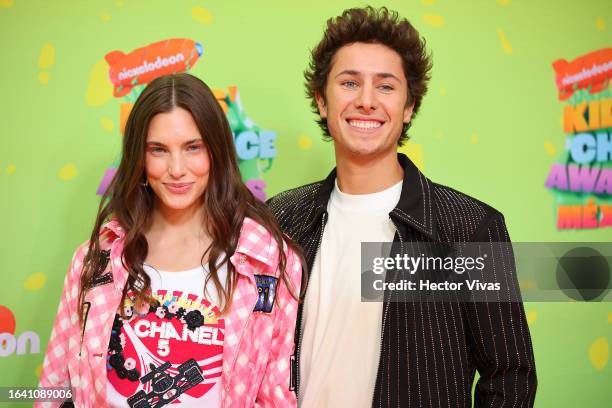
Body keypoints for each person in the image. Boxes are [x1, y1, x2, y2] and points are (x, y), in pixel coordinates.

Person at [268, 6, 537, 407]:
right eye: (348, 82)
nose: (366, 101)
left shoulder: (471, 227)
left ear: (409, 107)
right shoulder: (280, 220)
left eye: (386, 86)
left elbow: (510, 376)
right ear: (321, 101)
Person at [37, 73, 302, 407]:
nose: (177, 169)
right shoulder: (99, 257)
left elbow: (277, 394)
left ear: (216, 152)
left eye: (193, 147)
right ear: (140, 158)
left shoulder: (266, 260)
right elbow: (56, 385)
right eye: (158, 150)